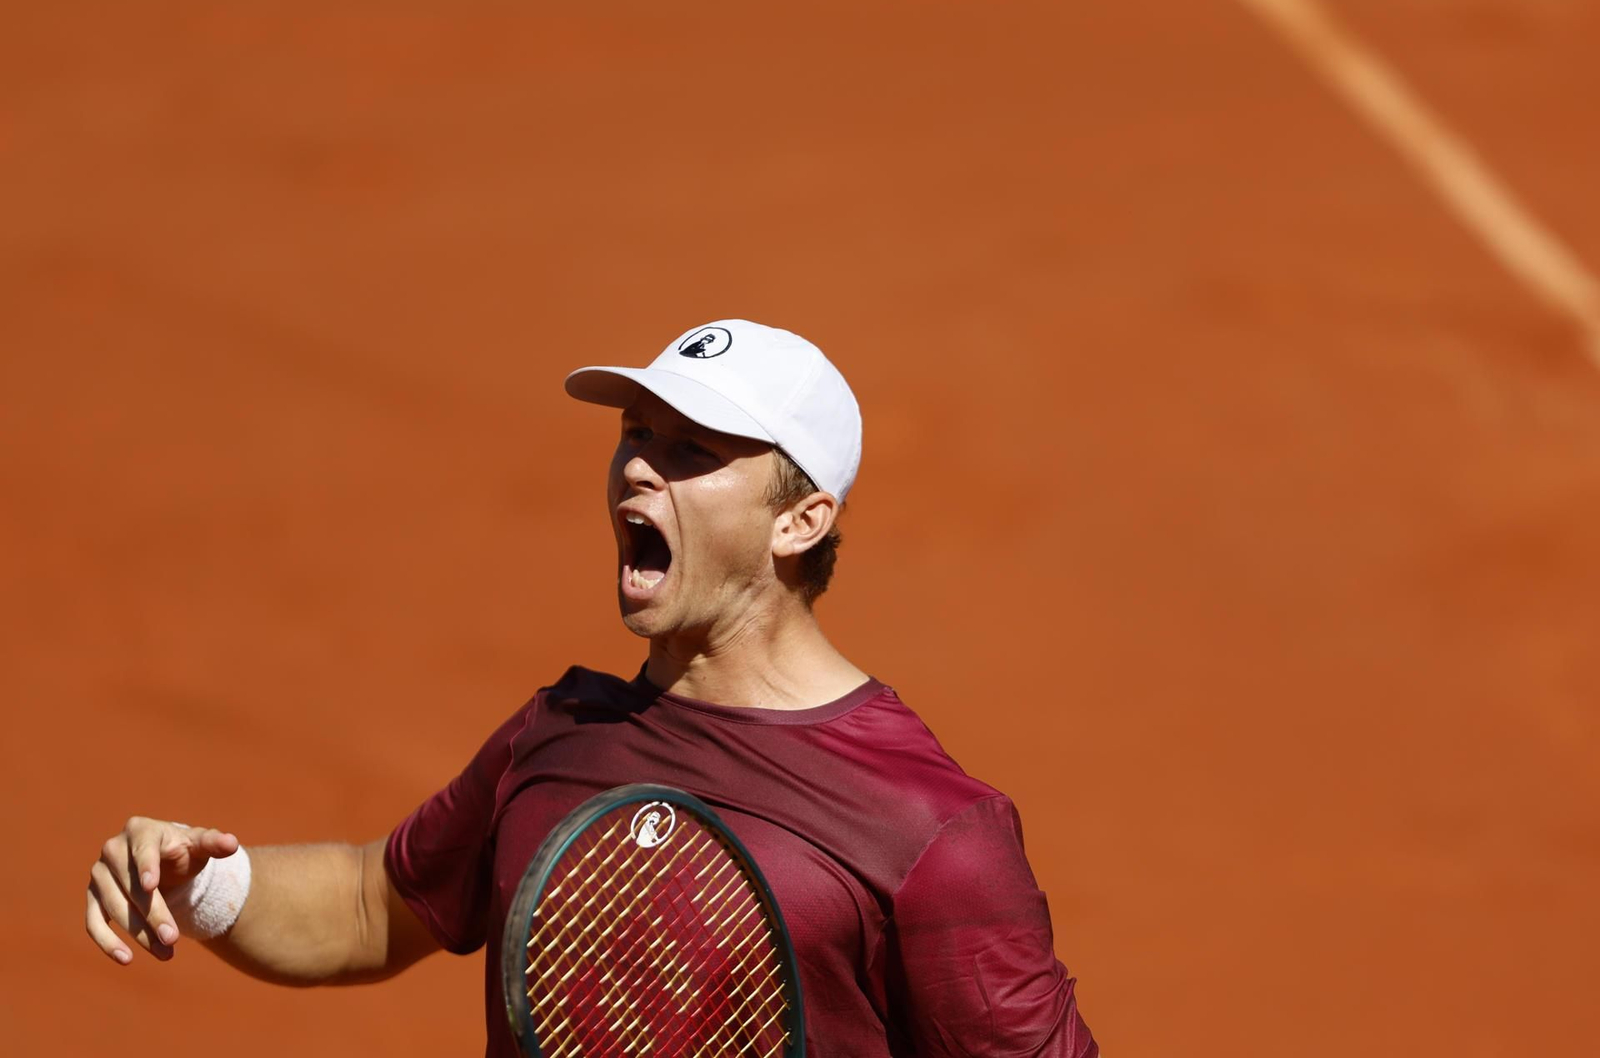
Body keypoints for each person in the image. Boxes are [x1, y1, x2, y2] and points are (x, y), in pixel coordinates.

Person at [84, 319, 1099, 1057]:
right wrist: (198, 882)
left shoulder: (928, 829)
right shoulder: (558, 736)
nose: (635, 469)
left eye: (689, 449)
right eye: (634, 434)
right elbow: (368, 904)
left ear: (801, 520)